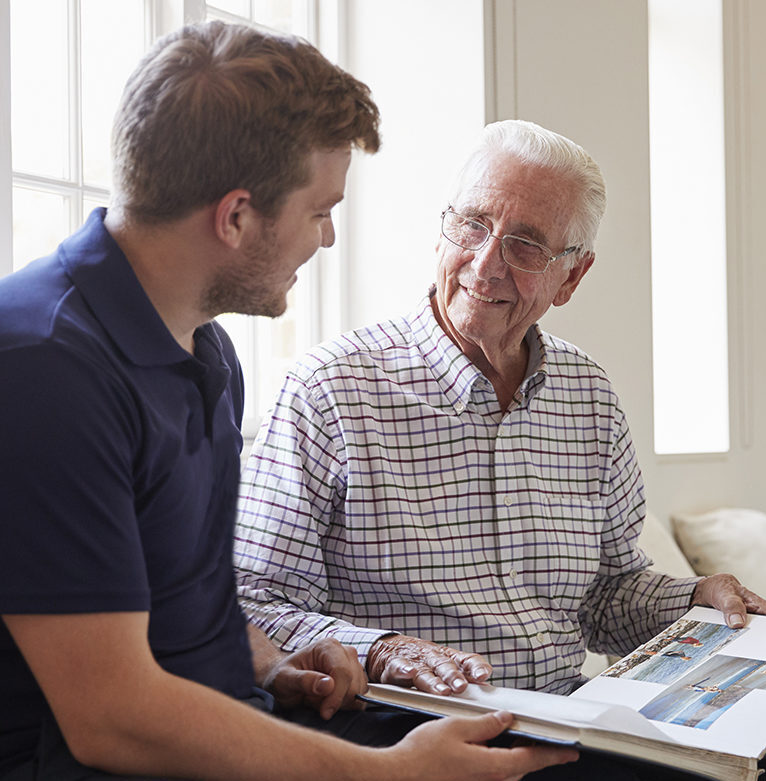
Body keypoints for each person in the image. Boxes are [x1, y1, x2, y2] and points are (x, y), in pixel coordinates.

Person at [0, 24, 576, 781]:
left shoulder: (205, 350)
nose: (329, 237)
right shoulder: (42, 368)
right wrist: (395, 772)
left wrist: (273, 663)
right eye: (319, 210)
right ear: (236, 216)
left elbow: (182, 604)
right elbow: (112, 717)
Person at [234, 120, 766, 780]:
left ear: (572, 276)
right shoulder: (329, 388)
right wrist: (381, 649)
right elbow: (252, 601)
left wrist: (693, 601)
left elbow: (607, 596)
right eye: (473, 224)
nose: (486, 263)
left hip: (568, 714)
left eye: (526, 246)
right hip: (407, 724)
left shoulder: (588, 396)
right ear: (441, 228)